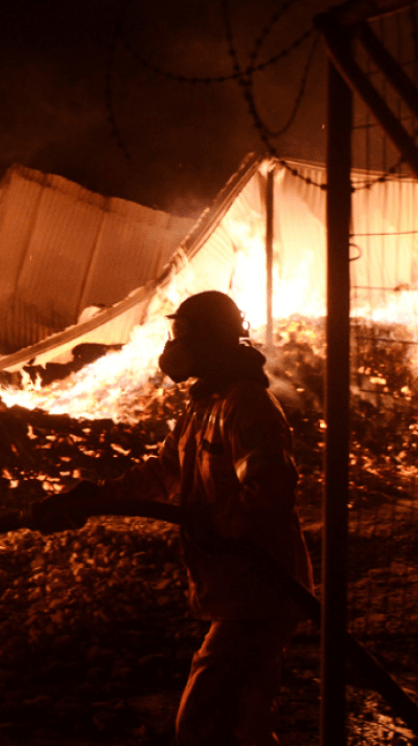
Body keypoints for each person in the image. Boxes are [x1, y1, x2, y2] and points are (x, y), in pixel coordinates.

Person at [34, 290, 314, 746]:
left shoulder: (246, 406)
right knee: (248, 724)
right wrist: (96, 498)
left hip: (262, 589)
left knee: (201, 724)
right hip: (237, 589)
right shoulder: (203, 406)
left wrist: (215, 521)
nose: (173, 348)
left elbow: (271, 491)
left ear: (211, 341)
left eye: (182, 336)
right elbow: (165, 471)